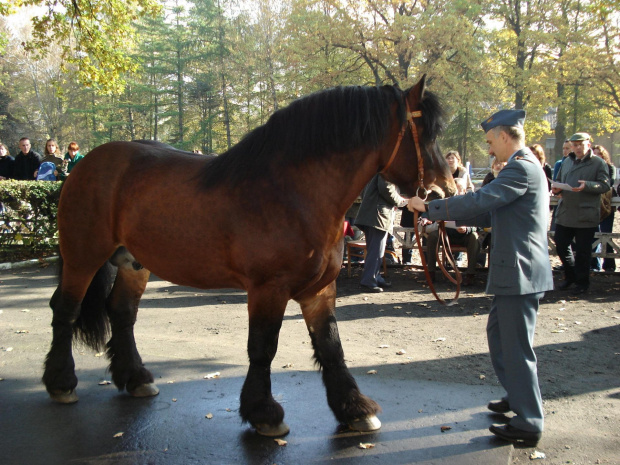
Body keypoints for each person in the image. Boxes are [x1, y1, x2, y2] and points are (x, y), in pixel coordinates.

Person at [408, 109, 553, 447]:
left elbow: (483, 198)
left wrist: (430, 209)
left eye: (490, 142)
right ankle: (517, 396)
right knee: (500, 336)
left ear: (505, 136)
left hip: (520, 272)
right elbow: (490, 209)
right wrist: (450, 214)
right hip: (517, 271)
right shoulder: (524, 167)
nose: (489, 149)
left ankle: (529, 421)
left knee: (516, 348)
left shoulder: (521, 167)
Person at [553, 133, 610, 294]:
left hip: (586, 213)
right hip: (566, 211)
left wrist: (588, 185)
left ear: (588, 145)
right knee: (561, 243)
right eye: (574, 144)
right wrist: (556, 188)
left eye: (580, 144)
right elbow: (559, 180)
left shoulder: (598, 163)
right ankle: (570, 275)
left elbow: (605, 185)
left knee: (584, 251)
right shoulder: (567, 162)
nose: (577, 148)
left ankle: (582, 282)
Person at [354, 173, 408, 292]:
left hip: (373, 214)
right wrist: (401, 201)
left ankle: (375, 277)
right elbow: (387, 189)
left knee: (376, 249)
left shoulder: (375, 170)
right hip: (378, 216)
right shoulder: (386, 170)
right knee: (376, 250)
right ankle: (369, 280)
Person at [591, 144, 616, 273]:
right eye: (594, 153)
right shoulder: (591, 167)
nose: (596, 156)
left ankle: (609, 264)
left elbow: (609, 183)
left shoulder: (610, 167)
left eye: (598, 153)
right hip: (594, 204)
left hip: (606, 205)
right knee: (594, 235)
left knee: (606, 233)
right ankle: (594, 264)